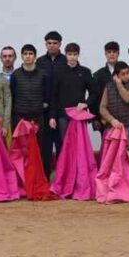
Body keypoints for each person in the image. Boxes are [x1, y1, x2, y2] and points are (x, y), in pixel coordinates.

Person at [47, 43, 94, 172]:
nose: (72, 57)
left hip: (79, 116)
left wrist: (86, 103)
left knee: (80, 146)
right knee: (65, 145)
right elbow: (53, 96)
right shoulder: (58, 72)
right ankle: (66, 174)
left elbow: (94, 92)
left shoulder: (85, 72)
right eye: (69, 54)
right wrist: (52, 116)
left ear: (78, 55)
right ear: (65, 55)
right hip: (63, 115)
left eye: (75, 54)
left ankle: (81, 174)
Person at [99, 61, 129, 154]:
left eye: (128, 73)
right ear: (116, 75)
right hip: (112, 126)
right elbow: (102, 107)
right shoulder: (109, 86)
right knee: (112, 155)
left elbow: (127, 98)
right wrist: (111, 120)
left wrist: (119, 84)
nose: (126, 76)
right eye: (123, 74)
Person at [10, 44, 48, 130]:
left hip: (37, 117)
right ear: (22, 56)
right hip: (19, 116)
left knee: (38, 143)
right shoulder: (15, 74)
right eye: (25, 54)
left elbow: (47, 93)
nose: (28, 56)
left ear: (35, 56)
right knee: (21, 143)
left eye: (30, 54)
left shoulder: (43, 74)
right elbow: (12, 94)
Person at [90, 41, 121, 116]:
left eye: (114, 52)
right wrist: (95, 118)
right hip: (104, 117)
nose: (112, 54)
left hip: (124, 117)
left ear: (118, 54)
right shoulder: (97, 75)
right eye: (109, 52)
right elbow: (94, 96)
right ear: (105, 54)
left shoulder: (126, 73)